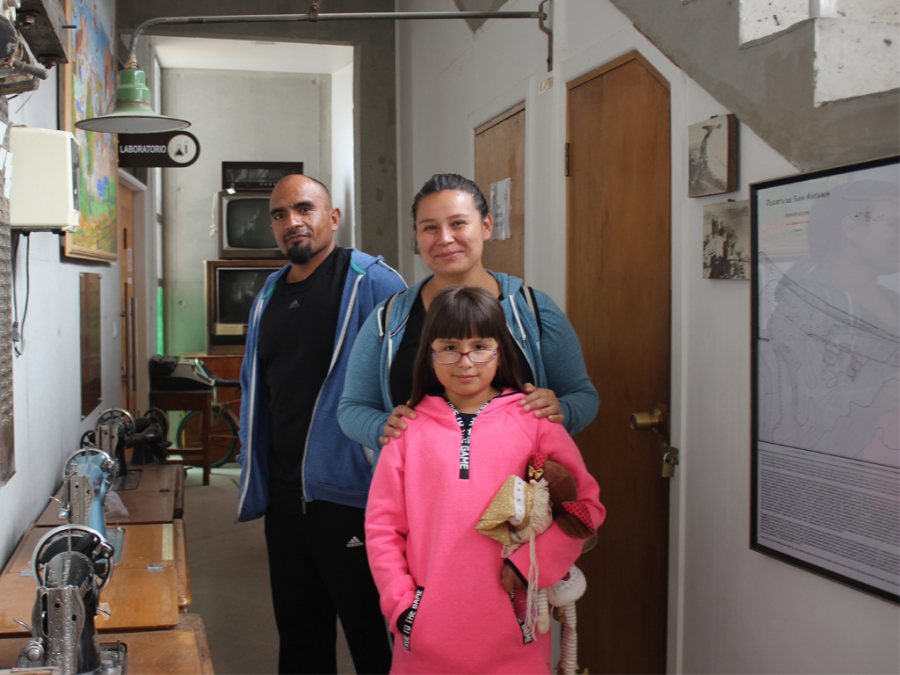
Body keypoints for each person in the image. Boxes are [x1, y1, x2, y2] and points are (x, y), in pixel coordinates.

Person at [364, 286, 605, 674]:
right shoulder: (406, 430)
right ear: (429, 354)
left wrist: (532, 565)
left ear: (500, 351)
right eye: (448, 347)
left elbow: (586, 510)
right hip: (424, 640)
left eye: (480, 347)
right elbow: (382, 529)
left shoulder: (535, 422)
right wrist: (403, 610)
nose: (465, 362)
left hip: (515, 636)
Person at [236, 174, 406, 674]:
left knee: (375, 642)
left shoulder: (373, 282)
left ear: (332, 218)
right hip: (287, 501)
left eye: (305, 209)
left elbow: (407, 388)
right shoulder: (268, 292)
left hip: (353, 499)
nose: (293, 222)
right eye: (280, 214)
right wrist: (253, 463)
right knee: (301, 641)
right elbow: (257, 387)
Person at [338, 173, 598, 455]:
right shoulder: (388, 318)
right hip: (418, 490)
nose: (445, 238)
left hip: (517, 492)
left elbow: (582, 397)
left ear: (486, 226)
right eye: (430, 228)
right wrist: (384, 428)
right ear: (416, 236)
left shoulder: (533, 310)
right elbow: (352, 407)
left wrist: (562, 410)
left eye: (458, 223)